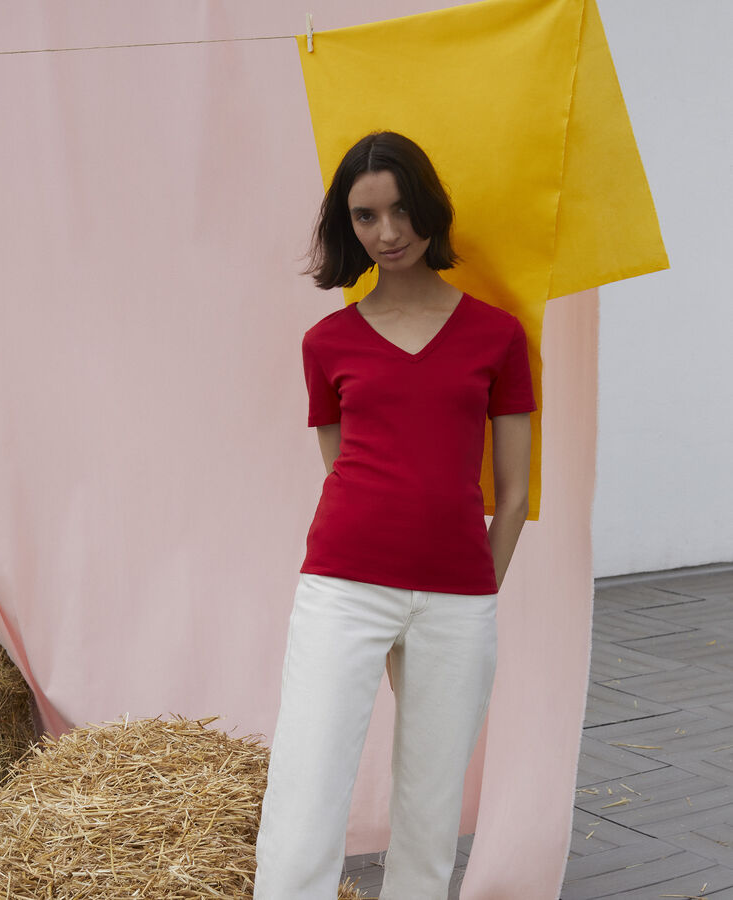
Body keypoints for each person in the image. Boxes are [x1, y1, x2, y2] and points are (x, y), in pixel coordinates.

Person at [253, 131, 536, 900]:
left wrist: (477, 588)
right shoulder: (326, 342)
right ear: (347, 227)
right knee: (306, 790)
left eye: (403, 210)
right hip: (342, 586)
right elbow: (343, 467)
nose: (388, 233)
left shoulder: (497, 335)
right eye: (366, 216)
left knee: (431, 802)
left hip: (457, 597)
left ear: (430, 212)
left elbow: (512, 492)